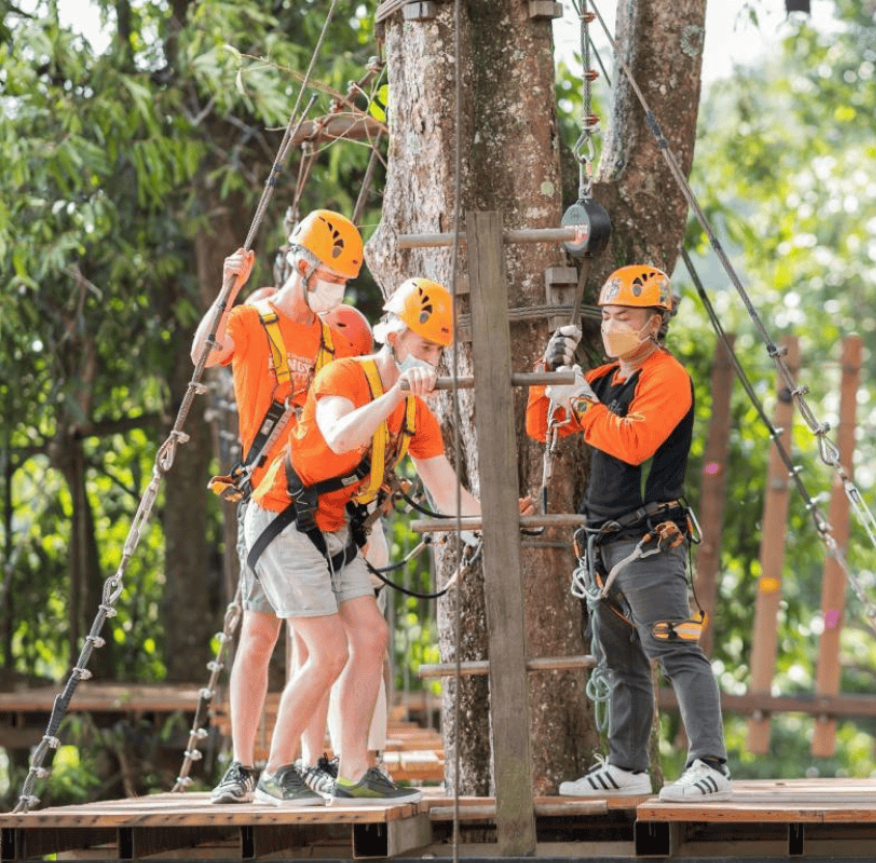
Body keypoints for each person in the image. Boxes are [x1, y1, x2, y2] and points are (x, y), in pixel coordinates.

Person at [244, 278, 526, 806]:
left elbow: (447, 493)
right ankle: (275, 771)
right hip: (282, 518)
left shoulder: (417, 414)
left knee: (370, 636)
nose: (432, 360)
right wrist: (394, 392)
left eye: (438, 351)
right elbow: (338, 436)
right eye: (423, 347)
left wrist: (498, 521)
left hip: (333, 527)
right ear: (393, 337)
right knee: (328, 651)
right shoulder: (344, 375)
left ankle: (354, 770)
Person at [525, 264, 732, 802]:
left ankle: (711, 763)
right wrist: (550, 372)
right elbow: (538, 425)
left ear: (655, 322)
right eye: (609, 315)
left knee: (675, 651)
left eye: (626, 316)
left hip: (647, 539)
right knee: (620, 660)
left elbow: (634, 443)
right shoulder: (604, 379)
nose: (613, 324)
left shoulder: (666, 377)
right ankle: (626, 766)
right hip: (602, 543)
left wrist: (583, 402)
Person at [191, 209, 366, 804]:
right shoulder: (251, 320)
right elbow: (202, 353)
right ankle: (249, 768)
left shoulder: (332, 339)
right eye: (332, 278)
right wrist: (226, 287)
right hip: (267, 506)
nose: (337, 291)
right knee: (263, 635)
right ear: (302, 267)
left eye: (344, 282)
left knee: (305, 639)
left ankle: (299, 761)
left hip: (315, 506)